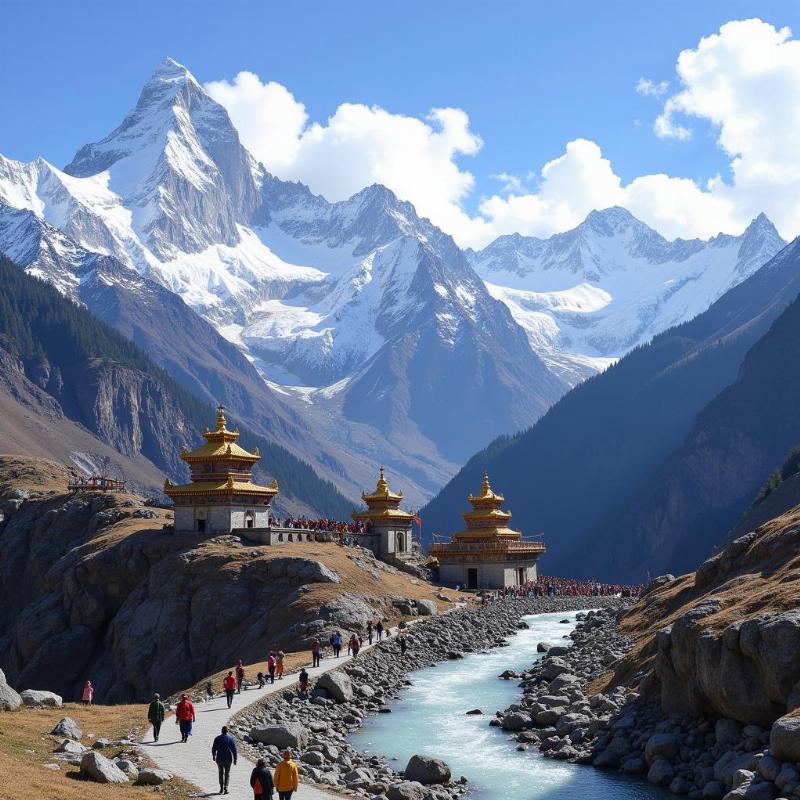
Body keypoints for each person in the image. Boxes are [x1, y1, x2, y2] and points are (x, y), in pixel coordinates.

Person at [212, 724, 238, 795]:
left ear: (221, 731)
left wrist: (213, 756)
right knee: (227, 773)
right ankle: (226, 787)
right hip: (228, 759)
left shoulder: (217, 738)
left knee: (220, 773)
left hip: (219, 758)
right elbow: (234, 750)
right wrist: (235, 759)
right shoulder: (231, 739)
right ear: (227, 731)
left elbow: (214, 748)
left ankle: (221, 788)